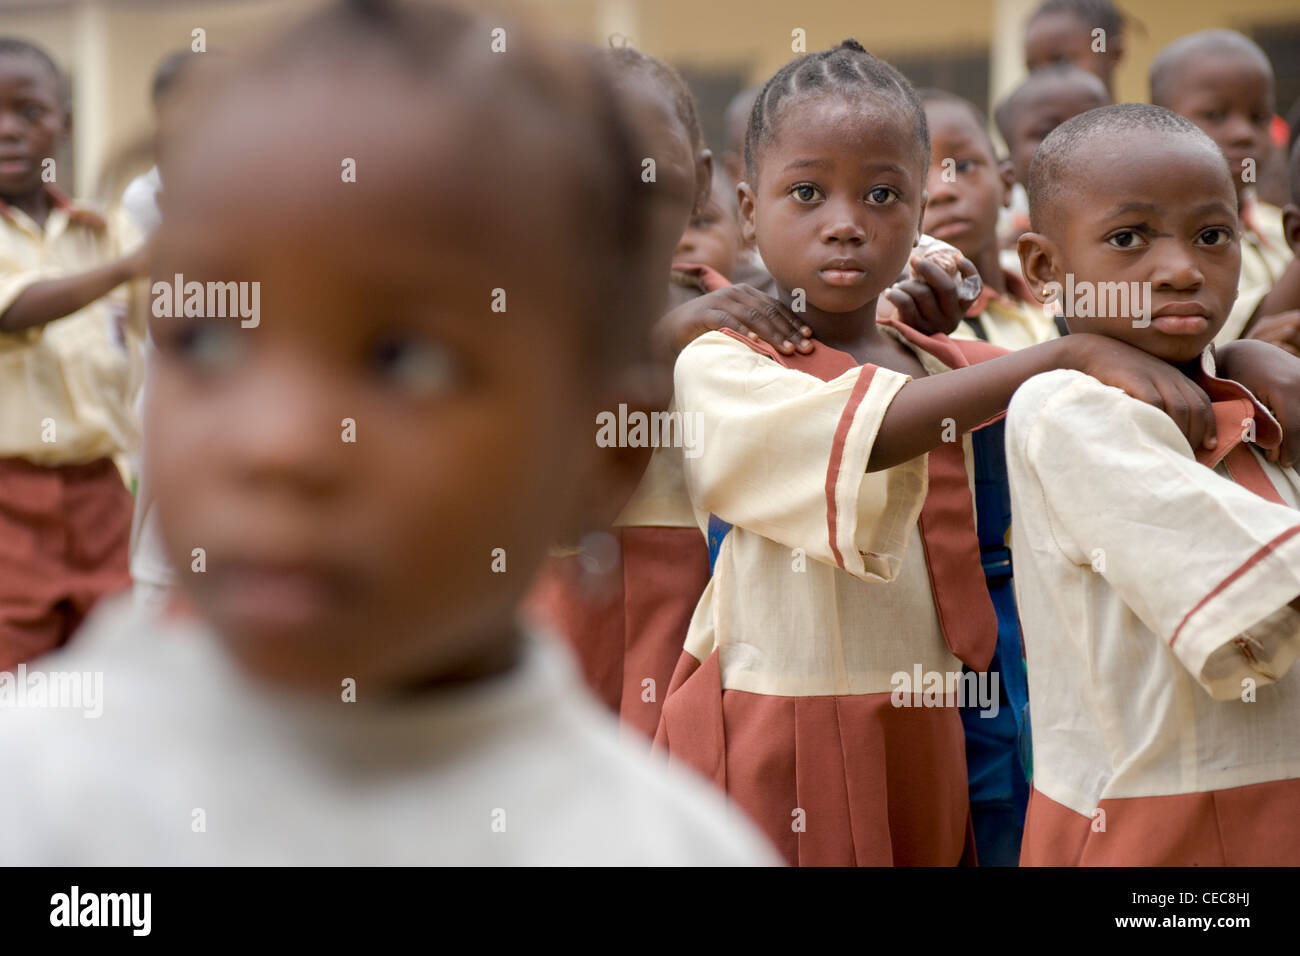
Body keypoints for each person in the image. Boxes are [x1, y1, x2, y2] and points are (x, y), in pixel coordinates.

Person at [0, 0, 778, 866]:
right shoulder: (37, 793)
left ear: (602, 453)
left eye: (405, 358)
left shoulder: (658, 847)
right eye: (209, 340)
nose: (279, 442)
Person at [655, 39, 1235, 866]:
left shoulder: (941, 362)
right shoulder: (725, 366)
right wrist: (1061, 354)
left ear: (923, 211)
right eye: (807, 193)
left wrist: (1248, 360)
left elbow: (1124, 375)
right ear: (749, 209)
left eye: (884, 193)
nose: (847, 222)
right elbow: (875, 432)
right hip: (786, 721)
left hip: (936, 719)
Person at [1010, 104, 1300, 864]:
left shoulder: (1246, 402)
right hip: (1154, 833)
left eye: (1212, 236)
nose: (1180, 269)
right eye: (1128, 238)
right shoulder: (1068, 409)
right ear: (1043, 268)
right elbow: (1268, 590)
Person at [0, 38, 149, 670]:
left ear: (65, 122)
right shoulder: (121, 253)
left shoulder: (106, 229)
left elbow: (166, 320)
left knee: (108, 669)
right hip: (9, 499)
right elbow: (14, 309)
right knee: (14, 672)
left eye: (29, 112)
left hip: (99, 493)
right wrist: (129, 268)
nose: (7, 131)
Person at [1151, 30, 1294, 345]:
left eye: (1258, 117)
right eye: (1216, 115)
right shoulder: (1155, 240)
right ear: (1158, 122)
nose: (1243, 133)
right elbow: (1244, 338)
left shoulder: (1278, 227)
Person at [1023, 0, 1126, 98]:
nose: (1044, 81)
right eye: (1033, 70)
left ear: (1113, 54)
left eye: (1061, 63)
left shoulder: (1139, 116)